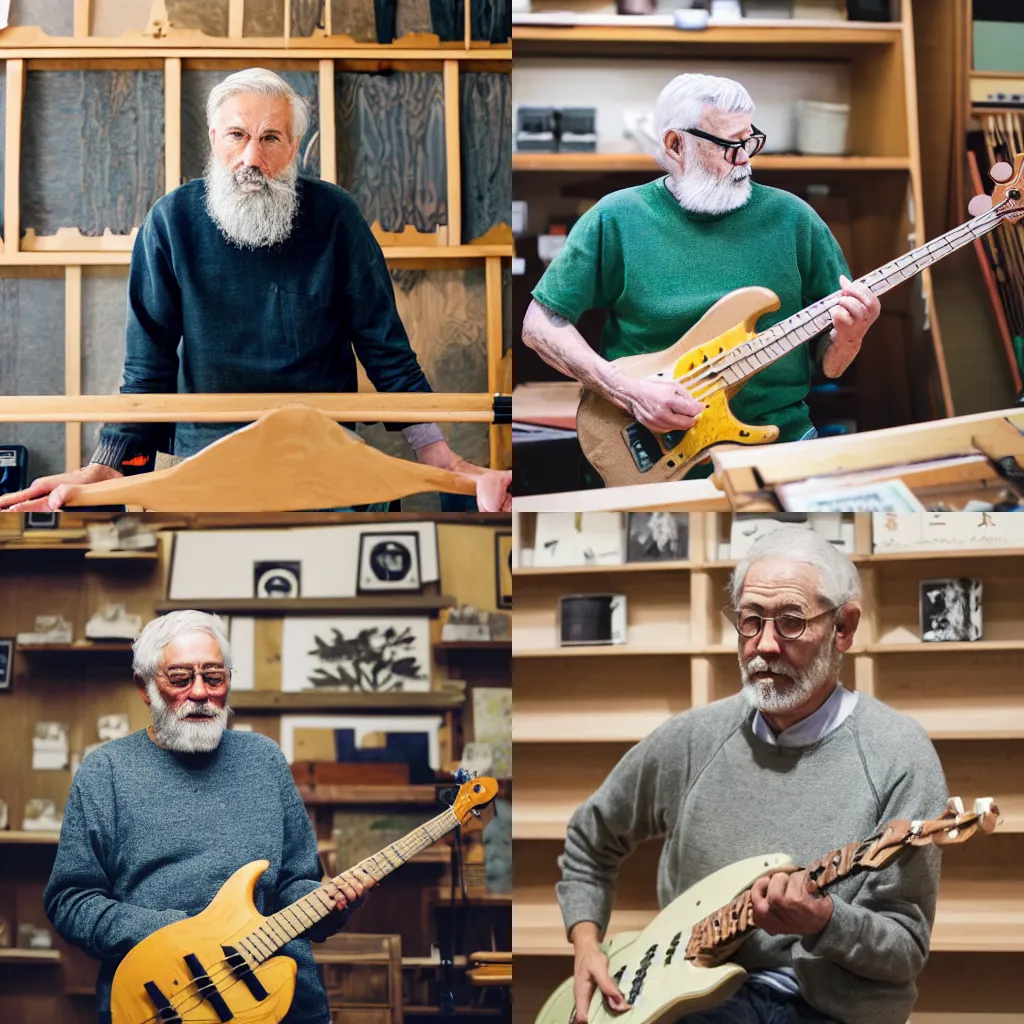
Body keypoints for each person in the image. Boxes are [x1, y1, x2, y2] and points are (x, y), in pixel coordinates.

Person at [0, 67, 510, 513]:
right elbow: (146, 370)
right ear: (214, 137)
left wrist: (438, 454)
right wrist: (106, 466)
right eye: (238, 135)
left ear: (294, 149)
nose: (251, 157)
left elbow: (387, 352)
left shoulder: (335, 218)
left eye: (270, 139)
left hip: (325, 463)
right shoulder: (171, 222)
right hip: (205, 467)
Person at [560, 525, 947, 1024]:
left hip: (835, 1011)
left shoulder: (900, 754)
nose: (763, 646)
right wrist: (586, 943)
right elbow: (589, 841)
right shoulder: (692, 739)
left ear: (844, 628)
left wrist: (826, 921)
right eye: (750, 621)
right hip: (695, 1000)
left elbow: (905, 950)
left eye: (790, 622)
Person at [521, 73, 880, 486]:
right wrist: (626, 391)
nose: (744, 158)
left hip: (780, 455)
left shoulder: (795, 220)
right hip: (646, 457)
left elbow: (831, 367)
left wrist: (850, 338)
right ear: (676, 145)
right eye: (729, 146)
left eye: (750, 141)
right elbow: (538, 325)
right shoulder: (617, 216)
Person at [43, 610, 375, 1024]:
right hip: (163, 1004)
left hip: (284, 1003)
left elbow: (294, 883)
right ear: (145, 688)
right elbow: (70, 901)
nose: (200, 692)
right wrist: (180, 932)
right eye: (180, 678)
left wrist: (329, 904)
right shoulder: (105, 773)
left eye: (214, 677)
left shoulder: (264, 760)